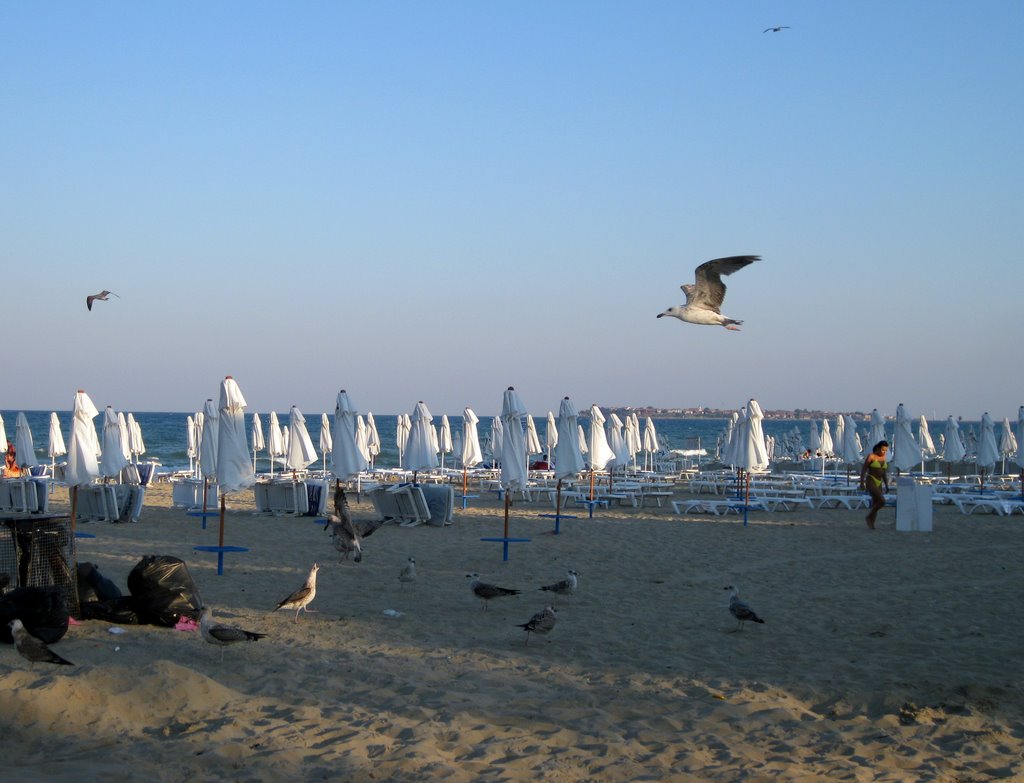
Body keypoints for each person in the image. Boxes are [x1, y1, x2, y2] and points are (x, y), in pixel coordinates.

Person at [859, 440, 890, 529]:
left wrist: (886, 485)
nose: (884, 452)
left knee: (876, 502)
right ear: (878, 448)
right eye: (883, 450)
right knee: (882, 501)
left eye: (886, 450)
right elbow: (864, 470)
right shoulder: (871, 456)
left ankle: (871, 524)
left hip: (879, 481)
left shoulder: (884, 458)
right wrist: (862, 483)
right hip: (871, 480)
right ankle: (869, 517)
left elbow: (884, 473)